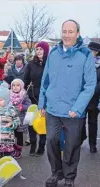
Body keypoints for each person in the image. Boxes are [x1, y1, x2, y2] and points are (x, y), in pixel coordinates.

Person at [38, 20, 96, 187]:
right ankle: (56, 172)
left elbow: (90, 85)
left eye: (71, 32)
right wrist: (42, 102)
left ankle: (69, 176)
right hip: (53, 109)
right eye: (64, 31)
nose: (67, 35)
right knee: (51, 141)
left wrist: (77, 109)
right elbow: (45, 79)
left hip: (73, 112)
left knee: (72, 145)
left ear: (77, 34)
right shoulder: (54, 53)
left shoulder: (85, 55)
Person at [23, 41, 50, 156]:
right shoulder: (31, 64)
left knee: (42, 122)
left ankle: (42, 147)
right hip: (32, 96)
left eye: (41, 49)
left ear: (46, 51)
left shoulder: (50, 63)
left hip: (46, 97)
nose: (39, 51)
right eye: (37, 49)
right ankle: (33, 144)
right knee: (31, 122)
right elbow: (25, 80)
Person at [81, 41, 100, 153]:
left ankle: (92, 144)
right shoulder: (84, 63)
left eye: (93, 51)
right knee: (80, 121)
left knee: (92, 122)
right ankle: (81, 137)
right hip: (83, 98)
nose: (91, 52)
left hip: (95, 98)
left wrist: (93, 89)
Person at [10, 79, 31, 159]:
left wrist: (22, 107)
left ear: (21, 86)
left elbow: (29, 105)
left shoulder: (24, 95)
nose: (15, 87)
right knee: (11, 135)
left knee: (19, 135)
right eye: (13, 85)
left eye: (17, 85)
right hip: (11, 119)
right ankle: (12, 148)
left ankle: (18, 150)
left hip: (20, 119)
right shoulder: (9, 94)